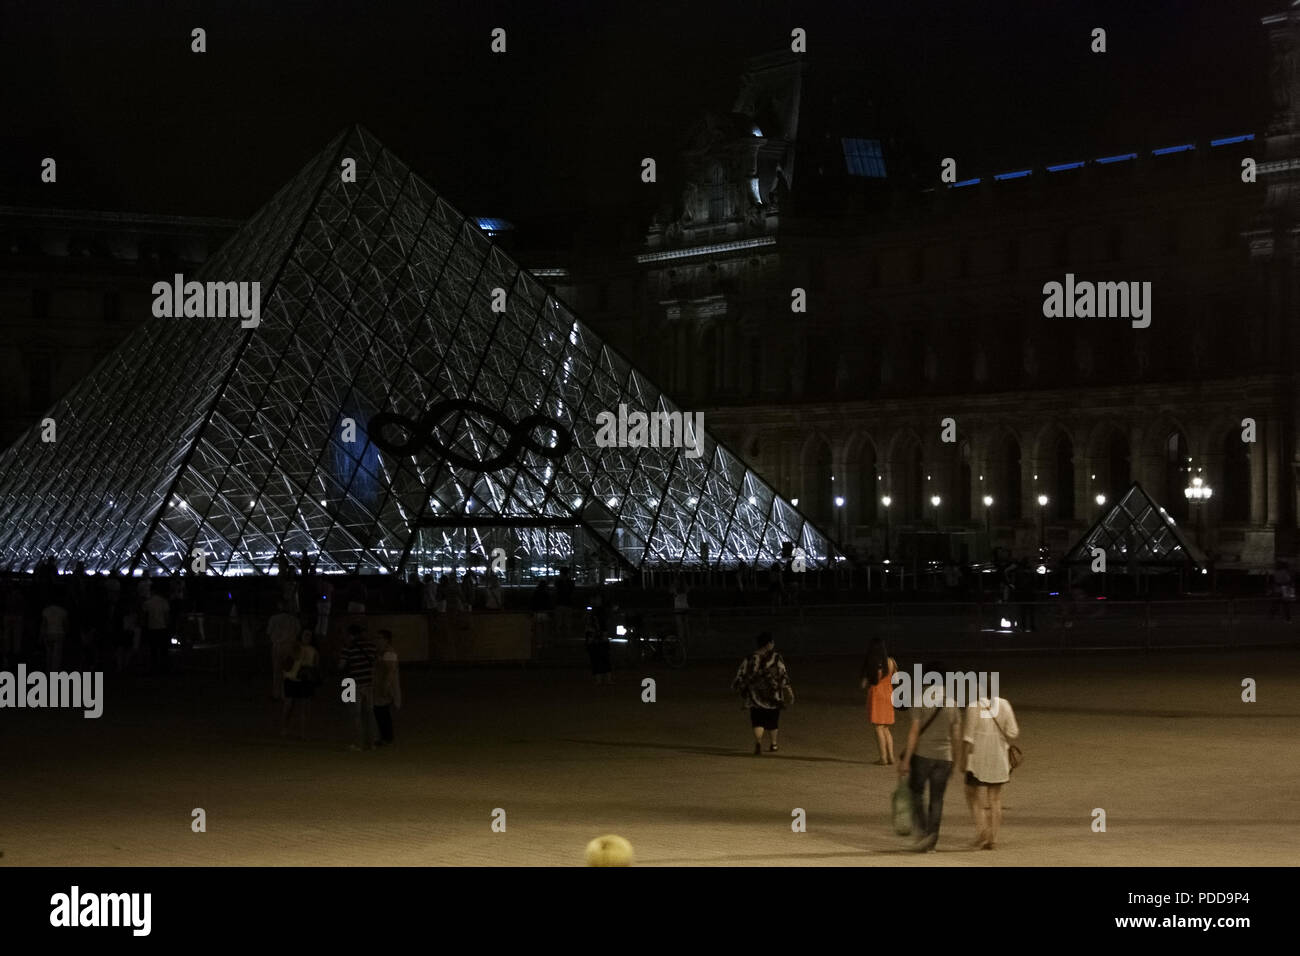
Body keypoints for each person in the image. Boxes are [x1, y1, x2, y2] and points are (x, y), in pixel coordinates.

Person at [897, 659, 963, 852]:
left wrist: (906, 760)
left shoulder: (920, 699)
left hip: (923, 755)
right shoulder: (952, 702)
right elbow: (957, 734)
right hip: (945, 757)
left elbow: (914, 732)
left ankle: (924, 831)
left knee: (916, 793)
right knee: (937, 799)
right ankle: (932, 841)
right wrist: (956, 761)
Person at [962, 693, 1020, 850]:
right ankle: (993, 838)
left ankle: (982, 831)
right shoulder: (1004, 704)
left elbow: (968, 737)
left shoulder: (973, 707)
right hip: (998, 758)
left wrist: (962, 760)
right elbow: (1013, 732)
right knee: (995, 798)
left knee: (972, 794)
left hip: (977, 760)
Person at [731, 632, 792, 755]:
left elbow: (741, 674)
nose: (773, 644)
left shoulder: (750, 658)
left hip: (755, 695)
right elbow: (782, 673)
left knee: (757, 720)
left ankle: (758, 742)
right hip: (773, 695)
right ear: (768, 644)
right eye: (772, 642)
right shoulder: (776, 657)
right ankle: (774, 744)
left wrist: (737, 687)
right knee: (773, 720)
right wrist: (789, 690)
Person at [340, 624, 379, 751]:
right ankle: (372, 742)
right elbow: (375, 662)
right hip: (369, 682)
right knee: (370, 712)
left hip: (353, 682)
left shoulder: (347, 648)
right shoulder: (371, 646)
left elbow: (341, 665)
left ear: (350, 635)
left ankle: (358, 743)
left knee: (356, 714)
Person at [859, 637, 897, 764]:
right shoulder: (891, 662)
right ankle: (891, 757)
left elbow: (863, 684)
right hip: (889, 693)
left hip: (877, 695)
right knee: (886, 728)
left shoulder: (872, 663)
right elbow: (895, 679)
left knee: (878, 727)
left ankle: (883, 758)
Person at [281, 628, 320, 739]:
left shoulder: (314, 651)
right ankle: (284, 727)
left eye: (309, 636)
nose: (307, 637)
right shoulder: (295, 647)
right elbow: (286, 662)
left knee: (304, 708)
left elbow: (316, 666)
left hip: (305, 680)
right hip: (291, 679)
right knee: (288, 706)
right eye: (305, 635)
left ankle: (303, 732)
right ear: (301, 636)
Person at [371, 629, 402, 746]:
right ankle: (384, 736)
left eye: (379, 638)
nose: (377, 641)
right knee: (380, 712)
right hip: (379, 686)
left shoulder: (389, 653)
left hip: (383, 687)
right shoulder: (381, 652)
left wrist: (386, 686)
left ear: (386, 640)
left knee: (382, 712)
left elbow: (390, 671)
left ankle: (386, 737)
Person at [266, 602, 301, 701]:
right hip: (290, 646)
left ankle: (277, 694)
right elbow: (298, 631)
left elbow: (269, 632)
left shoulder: (273, 619)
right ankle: (288, 693)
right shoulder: (294, 620)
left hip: (277, 646)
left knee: (277, 671)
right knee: (289, 671)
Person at [141, 584, 171, 674]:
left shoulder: (147, 602)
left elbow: (144, 616)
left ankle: (154, 667)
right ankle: (164, 667)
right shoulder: (163, 602)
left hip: (152, 627)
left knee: (153, 649)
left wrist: (144, 626)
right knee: (163, 649)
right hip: (162, 627)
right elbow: (167, 616)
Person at [40, 594, 70, 671]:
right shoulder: (63, 611)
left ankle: (48, 671)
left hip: (49, 633)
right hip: (59, 634)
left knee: (49, 654)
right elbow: (65, 624)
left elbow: (44, 625)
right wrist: (66, 633)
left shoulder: (46, 610)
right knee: (57, 656)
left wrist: (42, 635)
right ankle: (55, 671)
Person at [585, 609, 613, 685]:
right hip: (597, 645)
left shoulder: (593, 625)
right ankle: (602, 680)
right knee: (599, 663)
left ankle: (603, 680)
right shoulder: (591, 625)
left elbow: (604, 637)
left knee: (602, 663)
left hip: (599, 645)